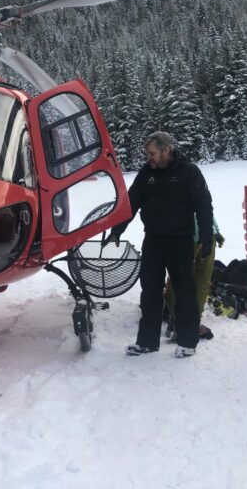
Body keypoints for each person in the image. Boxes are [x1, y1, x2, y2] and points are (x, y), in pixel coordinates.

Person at [103, 131, 214, 358]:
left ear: (167, 150)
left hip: (180, 242)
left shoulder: (189, 172)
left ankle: (187, 342)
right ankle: (147, 342)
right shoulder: (146, 174)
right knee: (150, 292)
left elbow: (204, 206)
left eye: (152, 153)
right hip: (153, 240)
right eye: (148, 153)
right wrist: (116, 231)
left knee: (184, 292)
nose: (149, 157)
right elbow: (130, 204)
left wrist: (205, 238)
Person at [165, 216, 225, 341]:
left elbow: (204, 206)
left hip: (202, 236)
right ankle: (182, 321)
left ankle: (187, 322)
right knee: (185, 281)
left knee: (197, 282)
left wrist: (215, 230)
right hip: (184, 237)